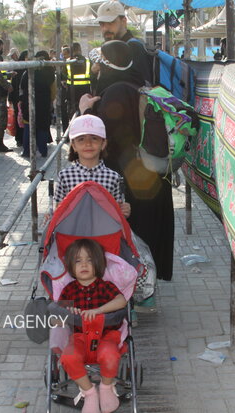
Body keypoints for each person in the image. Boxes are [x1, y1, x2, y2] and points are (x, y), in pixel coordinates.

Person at [79, 40, 175, 282]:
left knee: (136, 239)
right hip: (149, 177)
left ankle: (137, 293)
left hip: (133, 182)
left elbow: (96, 140)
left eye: (98, 65)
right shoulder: (138, 85)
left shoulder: (115, 93)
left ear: (109, 65)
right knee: (147, 238)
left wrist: (85, 112)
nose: (95, 70)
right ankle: (144, 291)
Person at [58, 238, 127, 413]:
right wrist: (69, 312)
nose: (84, 264)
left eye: (89, 259)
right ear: (70, 266)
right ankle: (89, 392)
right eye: (78, 260)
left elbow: (121, 301)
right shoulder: (69, 290)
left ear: (98, 263)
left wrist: (99, 310)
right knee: (68, 358)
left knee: (110, 355)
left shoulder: (106, 287)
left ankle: (105, 387)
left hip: (106, 336)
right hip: (79, 337)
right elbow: (59, 316)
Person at [54, 114, 130, 217]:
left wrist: (124, 211)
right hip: (73, 232)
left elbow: (117, 214)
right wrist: (50, 215)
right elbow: (58, 209)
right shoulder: (65, 176)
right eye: (81, 139)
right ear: (74, 145)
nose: (88, 143)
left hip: (104, 232)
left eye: (94, 138)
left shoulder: (113, 177)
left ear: (103, 144)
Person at [96, 1, 153, 85]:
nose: (105, 28)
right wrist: (94, 73)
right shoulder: (109, 49)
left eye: (110, 22)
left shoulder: (134, 47)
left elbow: (140, 87)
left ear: (124, 21)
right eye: (102, 24)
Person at [19, 50, 56, 158]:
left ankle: (26, 151)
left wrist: (22, 101)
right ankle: (43, 151)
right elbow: (53, 91)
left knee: (28, 127)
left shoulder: (28, 71)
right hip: (43, 104)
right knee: (42, 127)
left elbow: (22, 87)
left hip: (28, 103)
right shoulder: (49, 73)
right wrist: (49, 100)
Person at [0, 38, 13, 154]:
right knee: (1, 118)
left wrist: (9, 75)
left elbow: (1, 74)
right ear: (0, 46)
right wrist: (7, 85)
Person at [64, 43, 92, 118]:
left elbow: (63, 76)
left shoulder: (67, 62)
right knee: (85, 113)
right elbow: (93, 75)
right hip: (85, 90)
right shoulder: (88, 61)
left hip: (71, 91)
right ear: (80, 50)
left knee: (72, 115)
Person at [8, 50, 28, 147]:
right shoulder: (23, 68)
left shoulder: (19, 67)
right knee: (21, 117)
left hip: (17, 98)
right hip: (21, 98)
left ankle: (20, 139)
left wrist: (10, 97)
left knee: (19, 117)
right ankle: (21, 138)